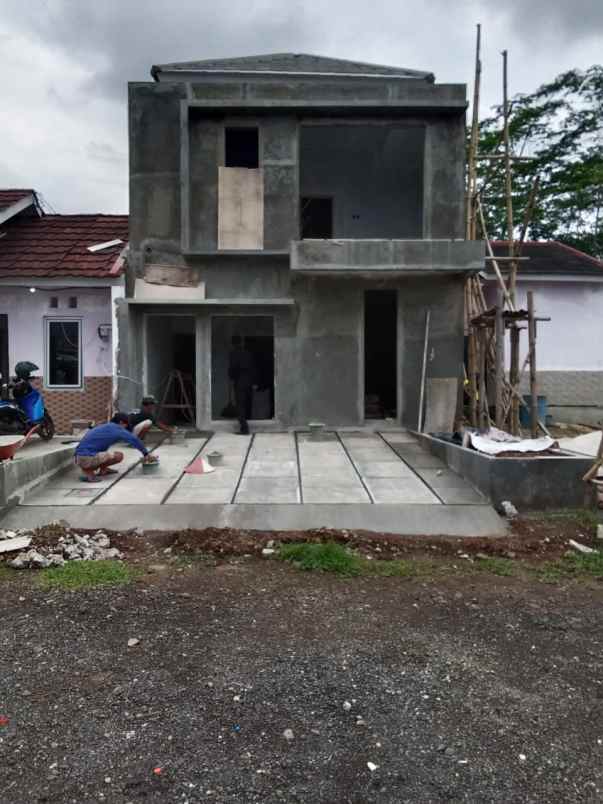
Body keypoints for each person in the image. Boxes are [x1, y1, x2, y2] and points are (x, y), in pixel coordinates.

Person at [74, 412, 157, 482]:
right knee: (118, 456)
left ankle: (103, 469)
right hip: (86, 458)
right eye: (125, 425)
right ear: (121, 422)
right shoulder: (117, 428)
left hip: (80, 457)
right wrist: (146, 454)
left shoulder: (106, 426)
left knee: (110, 453)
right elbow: (134, 439)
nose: (125, 427)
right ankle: (89, 473)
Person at [228, 335, 255, 435]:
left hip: (240, 382)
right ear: (241, 342)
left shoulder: (233, 353)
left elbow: (233, 368)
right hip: (249, 382)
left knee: (240, 405)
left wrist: (231, 377)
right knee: (247, 404)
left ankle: (244, 428)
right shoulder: (247, 353)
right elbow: (253, 368)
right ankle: (246, 423)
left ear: (232, 343)